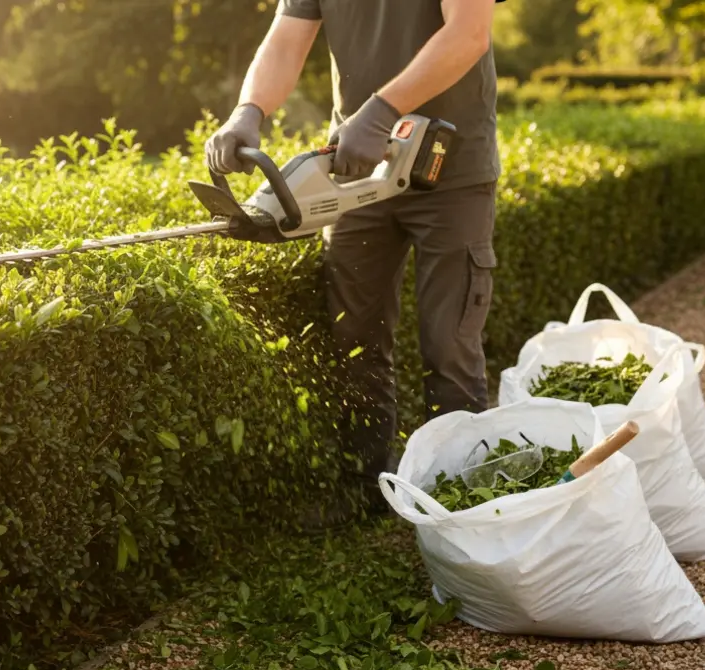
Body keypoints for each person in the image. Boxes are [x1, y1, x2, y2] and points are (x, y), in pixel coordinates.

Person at [204, 0, 505, 530]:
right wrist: (248, 110)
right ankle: (363, 485)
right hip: (359, 170)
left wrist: (384, 108)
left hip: (450, 171)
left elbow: (469, 35)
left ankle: (463, 502)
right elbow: (286, 39)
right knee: (353, 337)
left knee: (449, 343)